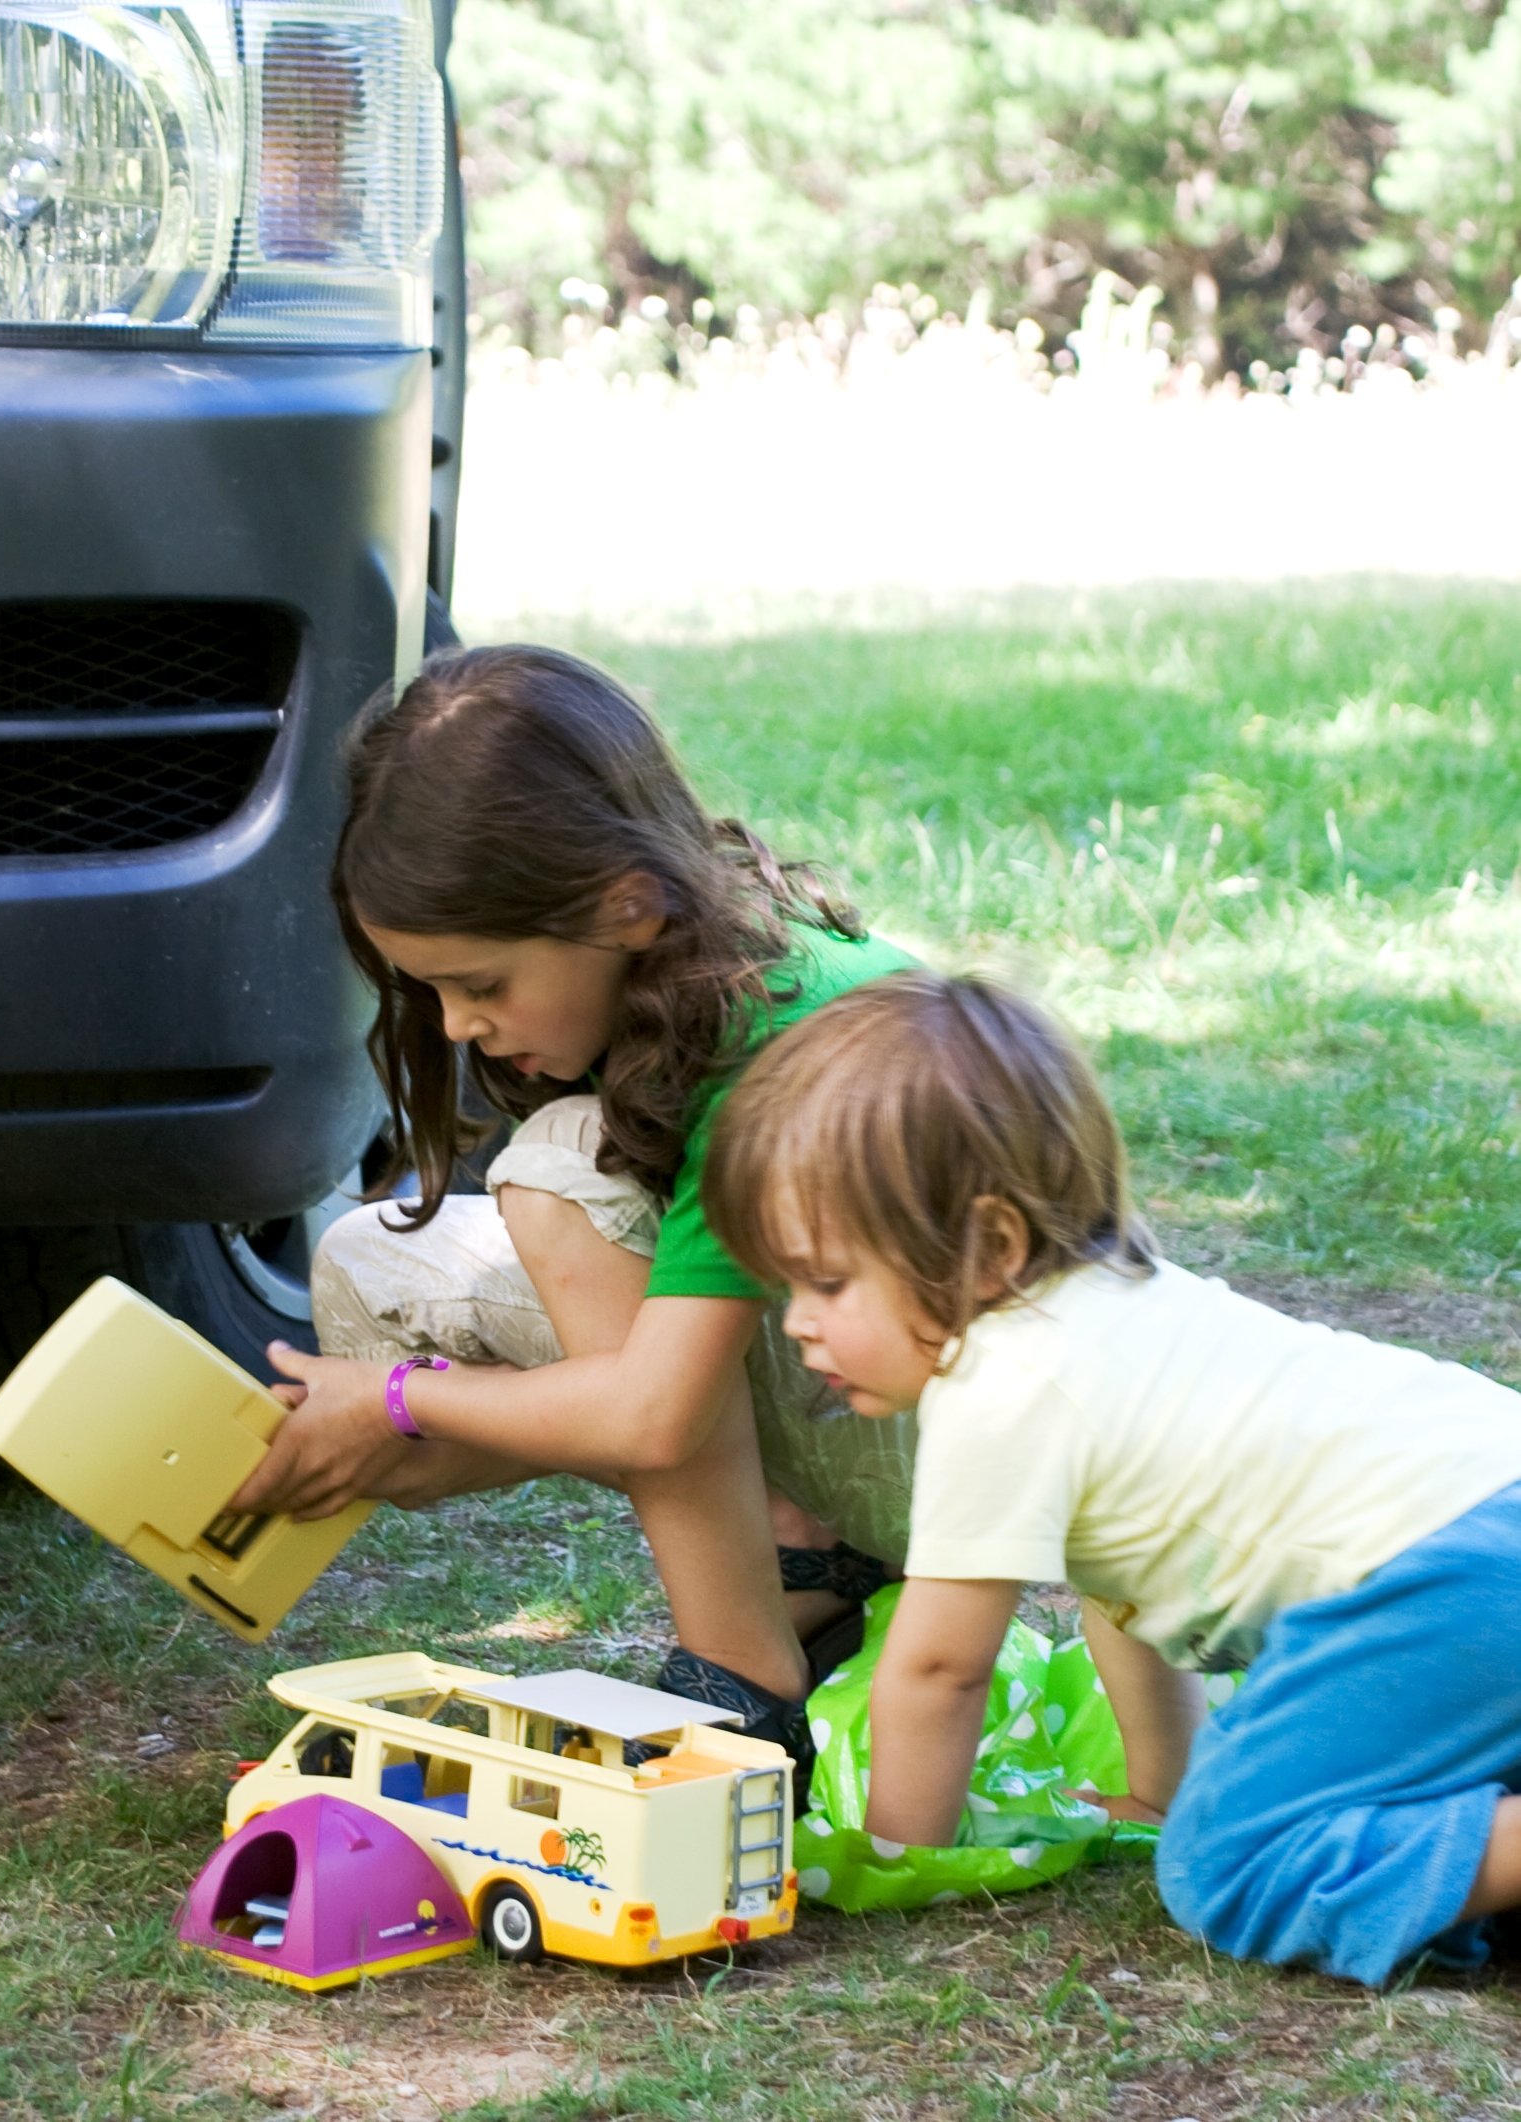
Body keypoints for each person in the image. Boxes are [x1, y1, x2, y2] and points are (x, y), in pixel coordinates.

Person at [704, 970, 1521, 1985]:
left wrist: (895, 1862)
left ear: (991, 1246)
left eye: (827, 1281)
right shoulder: (1122, 1311)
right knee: (1328, 1802)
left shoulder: (1000, 1383)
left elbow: (939, 1666)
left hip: (1447, 1577)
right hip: (1488, 1525)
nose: (797, 1321)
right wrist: (1160, 1788)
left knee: (1232, 1862)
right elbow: (1128, 1602)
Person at [229, 645, 919, 1758]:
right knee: (370, 1262)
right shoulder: (681, 963)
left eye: (482, 984)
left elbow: (652, 1416)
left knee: (556, 1168)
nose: (454, 1025)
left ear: (627, 905)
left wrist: (402, 1399)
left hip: (944, 1431)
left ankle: (747, 1675)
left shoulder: (766, 1046)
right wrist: (380, 1430)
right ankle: (805, 1562)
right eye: (431, 990)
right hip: (824, 1385)